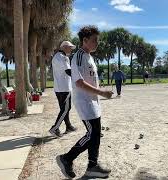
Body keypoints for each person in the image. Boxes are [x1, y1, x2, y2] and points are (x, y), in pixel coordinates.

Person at [56, 26, 113, 179]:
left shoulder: (89, 57)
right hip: (84, 102)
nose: (97, 43)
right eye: (94, 40)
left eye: (97, 40)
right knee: (92, 133)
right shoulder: (79, 56)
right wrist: (102, 92)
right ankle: (66, 159)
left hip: (93, 101)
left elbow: (89, 79)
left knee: (96, 134)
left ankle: (92, 166)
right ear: (85, 40)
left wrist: (100, 91)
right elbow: (79, 82)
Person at [49, 41, 77, 137]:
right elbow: (68, 71)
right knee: (66, 109)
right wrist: (79, 79)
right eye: (70, 47)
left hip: (58, 87)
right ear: (64, 47)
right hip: (65, 87)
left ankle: (68, 126)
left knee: (64, 109)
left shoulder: (56, 56)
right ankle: (55, 128)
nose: (71, 49)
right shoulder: (63, 57)